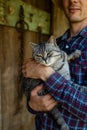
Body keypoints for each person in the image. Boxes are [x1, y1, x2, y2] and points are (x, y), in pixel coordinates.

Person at [22, 0, 87, 129]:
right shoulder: (55, 43)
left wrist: (46, 73)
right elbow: (34, 92)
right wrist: (32, 105)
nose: (73, 0)